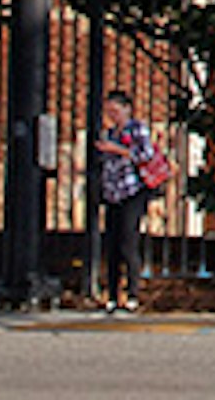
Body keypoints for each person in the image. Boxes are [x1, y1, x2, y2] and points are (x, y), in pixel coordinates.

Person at [90, 89, 169, 309]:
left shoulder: (137, 129)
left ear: (127, 109)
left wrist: (119, 150)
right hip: (113, 192)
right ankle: (113, 294)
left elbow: (145, 155)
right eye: (109, 112)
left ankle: (132, 293)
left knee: (128, 241)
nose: (112, 116)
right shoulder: (109, 133)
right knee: (112, 244)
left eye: (116, 111)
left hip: (132, 191)